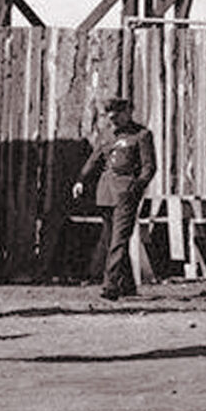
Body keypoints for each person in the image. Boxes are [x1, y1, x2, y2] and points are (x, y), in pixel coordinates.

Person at [72, 98, 157, 300]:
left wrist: (136, 188)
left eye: (118, 116)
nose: (114, 121)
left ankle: (110, 286)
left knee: (118, 239)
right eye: (111, 117)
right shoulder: (106, 135)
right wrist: (81, 180)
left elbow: (149, 167)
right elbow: (95, 159)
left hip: (126, 193)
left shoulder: (142, 135)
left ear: (128, 112)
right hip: (105, 193)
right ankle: (127, 285)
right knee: (113, 238)